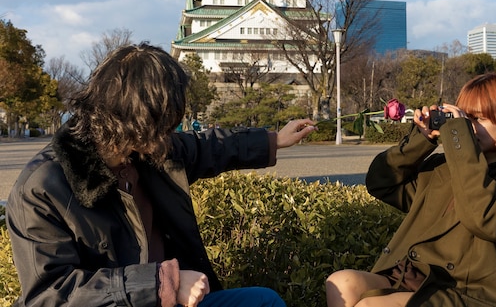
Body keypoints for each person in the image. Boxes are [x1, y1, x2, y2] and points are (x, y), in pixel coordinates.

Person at [6, 42, 317, 307]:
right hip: (144, 297)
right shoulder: (42, 188)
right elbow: (50, 295)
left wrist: (274, 140)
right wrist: (159, 284)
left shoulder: (146, 151)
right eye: (164, 122)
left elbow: (207, 147)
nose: (170, 132)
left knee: (264, 301)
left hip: (174, 297)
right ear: (133, 121)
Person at [326, 73, 496, 307]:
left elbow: (486, 221)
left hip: (467, 292)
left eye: (478, 119)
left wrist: (460, 139)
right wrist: (422, 139)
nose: (470, 128)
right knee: (342, 282)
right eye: (465, 118)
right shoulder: (445, 166)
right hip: (415, 277)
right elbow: (382, 183)